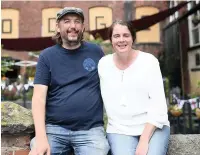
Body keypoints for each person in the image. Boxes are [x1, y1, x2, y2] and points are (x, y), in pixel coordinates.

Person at [29, 7, 109, 155]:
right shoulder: (47, 56)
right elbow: (38, 98)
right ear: (58, 27)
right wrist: (41, 137)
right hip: (54, 130)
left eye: (77, 22)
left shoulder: (96, 52)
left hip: (90, 131)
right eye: (67, 21)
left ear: (83, 27)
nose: (73, 26)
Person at [98, 20, 170, 155]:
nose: (121, 40)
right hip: (119, 129)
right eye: (116, 36)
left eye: (126, 35)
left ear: (133, 38)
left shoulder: (149, 62)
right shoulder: (103, 64)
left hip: (153, 126)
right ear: (111, 40)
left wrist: (144, 140)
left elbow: (159, 106)